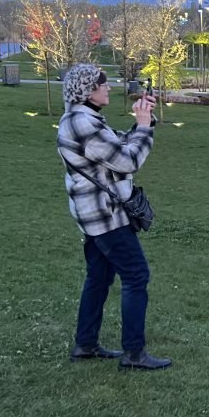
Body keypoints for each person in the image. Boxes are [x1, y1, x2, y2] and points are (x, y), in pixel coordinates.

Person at [57, 63, 171, 371]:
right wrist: (144, 128)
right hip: (106, 217)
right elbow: (127, 160)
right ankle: (134, 353)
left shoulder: (84, 118)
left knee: (100, 276)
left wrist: (143, 121)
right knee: (136, 275)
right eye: (102, 84)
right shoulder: (82, 122)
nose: (108, 87)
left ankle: (86, 344)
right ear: (87, 90)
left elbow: (117, 143)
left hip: (95, 214)